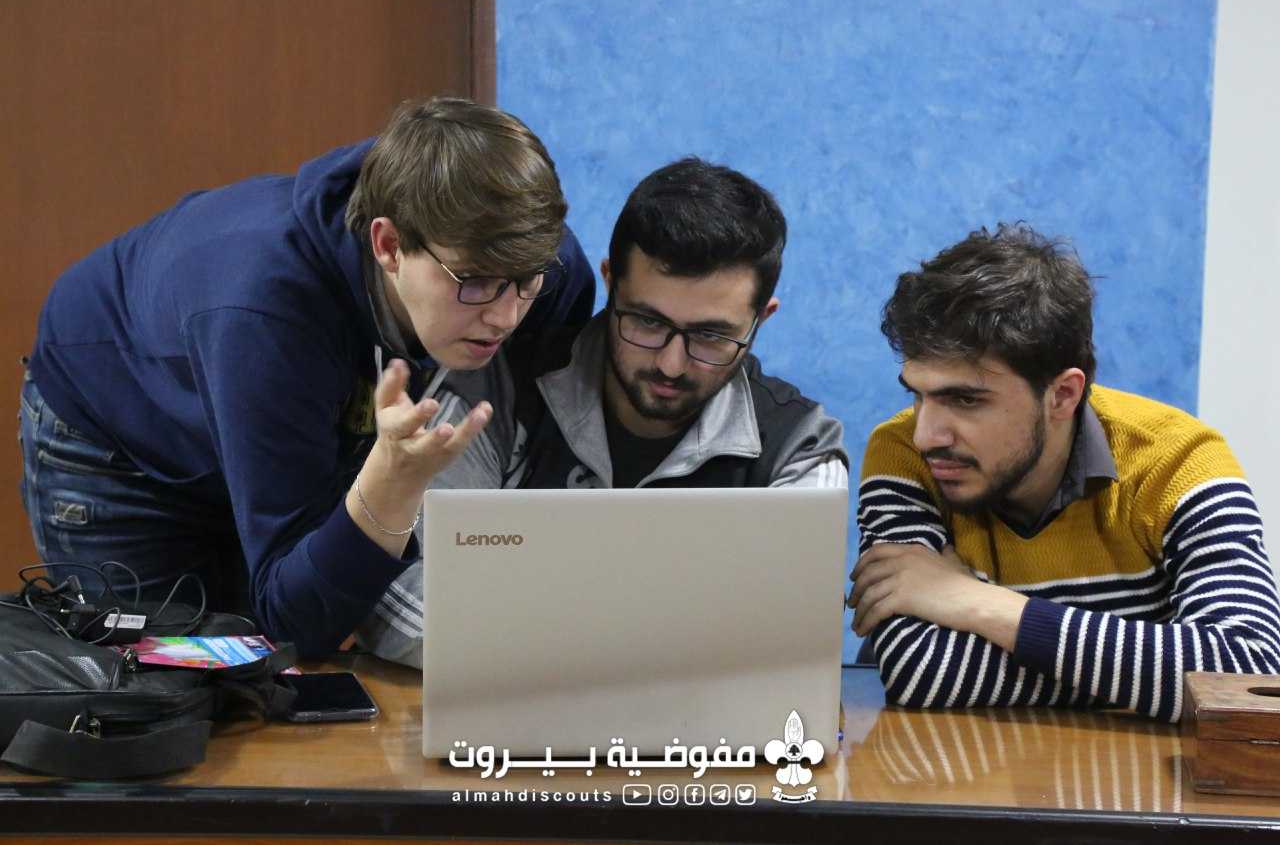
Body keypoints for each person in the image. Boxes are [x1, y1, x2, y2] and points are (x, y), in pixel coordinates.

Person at [18, 97, 595, 656]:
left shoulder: (535, 262)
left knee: (264, 677)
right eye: (475, 282)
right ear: (389, 244)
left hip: (268, 397)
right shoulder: (268, 317)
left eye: (526, 281)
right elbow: (294, 626)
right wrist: (390, 486)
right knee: (172, 685)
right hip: (116, 445)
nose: (506, 316)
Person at [361, 157, 849, 666]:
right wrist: (642, 649)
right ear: (610, 280)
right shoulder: (492, 392)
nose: (671, 364)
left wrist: (546, 639)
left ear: (761, 318)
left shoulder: (802, 448)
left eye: (711, 336)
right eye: (646, 322)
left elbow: (795, 635)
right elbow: (396, 593)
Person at [847, 223, 1280, 722]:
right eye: (917, 394)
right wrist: (1144, 677)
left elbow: (1246, 677)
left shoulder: (1179, 460)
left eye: (964, 399)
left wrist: (978, 603)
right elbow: (920, 669)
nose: (927, 435)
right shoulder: (902, 452)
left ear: (1063, 395)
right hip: (956, 768)